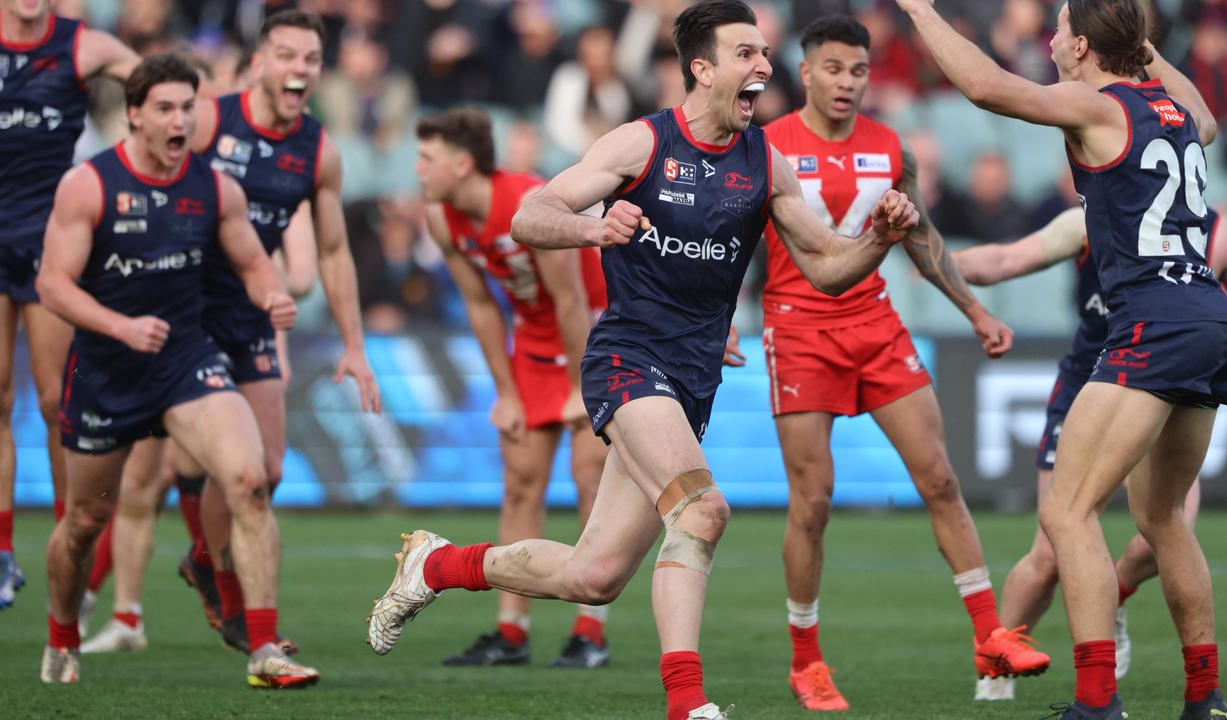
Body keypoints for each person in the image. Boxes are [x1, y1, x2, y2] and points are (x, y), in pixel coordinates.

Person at [367, 2, 918, 718]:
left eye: (762, 54)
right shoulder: (642, 143)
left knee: (593, 577)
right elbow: (529, 214)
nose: (763, 67)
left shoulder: (766, 163)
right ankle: (687, 705)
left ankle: (435, 565)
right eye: (746, 54)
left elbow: (828, 267)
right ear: (703, 68)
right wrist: (594, 227)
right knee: (703, 508)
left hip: (691, 382)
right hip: (627, 361)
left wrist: (878, 237)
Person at [895, 1, 1227, 717]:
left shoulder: (1096, 105)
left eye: (1057, 29)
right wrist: (1142, 47)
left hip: (1153, 322)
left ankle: (1095, 704)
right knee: (1165, 519)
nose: (1048, 40)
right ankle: (1204, 699)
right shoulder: (1176, 113)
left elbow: (988, 87)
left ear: (1081, 46)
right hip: (1212, 318)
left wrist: (917, 10)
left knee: (1069, 514)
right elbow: (1207, 119)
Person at [747, 14, 1044, 711]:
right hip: (799, 330)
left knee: (940, 477)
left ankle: (988, 636)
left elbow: (921, 235)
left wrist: (973, 309)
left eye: (858, 70)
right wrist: (712, 323)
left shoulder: (888, 146)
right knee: (812, 503)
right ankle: (805, 660)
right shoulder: (769, 148)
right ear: (807, 70)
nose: (847, 83)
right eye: (833, 69)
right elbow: (733, 239)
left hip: (876, 324)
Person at [36, 53, 318, 689]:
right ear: (134, 115)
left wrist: (271, 293)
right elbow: (52, 284)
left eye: (187, 107)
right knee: (83, 524)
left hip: (186, 361)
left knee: (249, 480)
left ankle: (263, 644)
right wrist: (119, 326)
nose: (179, 120)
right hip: (108, 369)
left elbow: (252, 262)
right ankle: (61, 633)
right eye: (164, 108)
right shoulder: (89, 184)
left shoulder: (216, 188)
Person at [954, 206, 1227, 700]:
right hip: (1093, 381)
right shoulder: (1090, 218)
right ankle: (994, 663)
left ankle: (1115, 599)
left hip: (1166, 373)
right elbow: (1003, 260)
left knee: (1163, 530)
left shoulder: (1221, 237)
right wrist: (930, 259)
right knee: (1052, 550)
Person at [170, 9, 379, 654]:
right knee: (232, 478)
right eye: (286, 55)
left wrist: (354, 345)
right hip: (187, 314)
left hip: (253, 317)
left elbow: (336, 251)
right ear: (259, 62)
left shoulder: (318, 149)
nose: (299, 69)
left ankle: (206, 561)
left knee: (267, 472)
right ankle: (236, 610)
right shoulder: (209, 120)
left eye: (310, 59)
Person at [417, 106, 615, 668]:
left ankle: (589, 631)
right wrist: (504, 392)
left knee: (588, 478)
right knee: (521, 483)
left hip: (594, 331)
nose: (417, 170)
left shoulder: (526, 204)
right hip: (532, 342)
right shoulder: (441, 217)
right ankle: (511, 632)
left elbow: (573, 298)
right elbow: (482, 305)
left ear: (460, 165)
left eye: (427, 159)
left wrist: (585, 384)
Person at [0, 0, 139, 611]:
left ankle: (67, 547)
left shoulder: (84, 47)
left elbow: (161, 89)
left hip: (50, 238)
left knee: (56, 399)